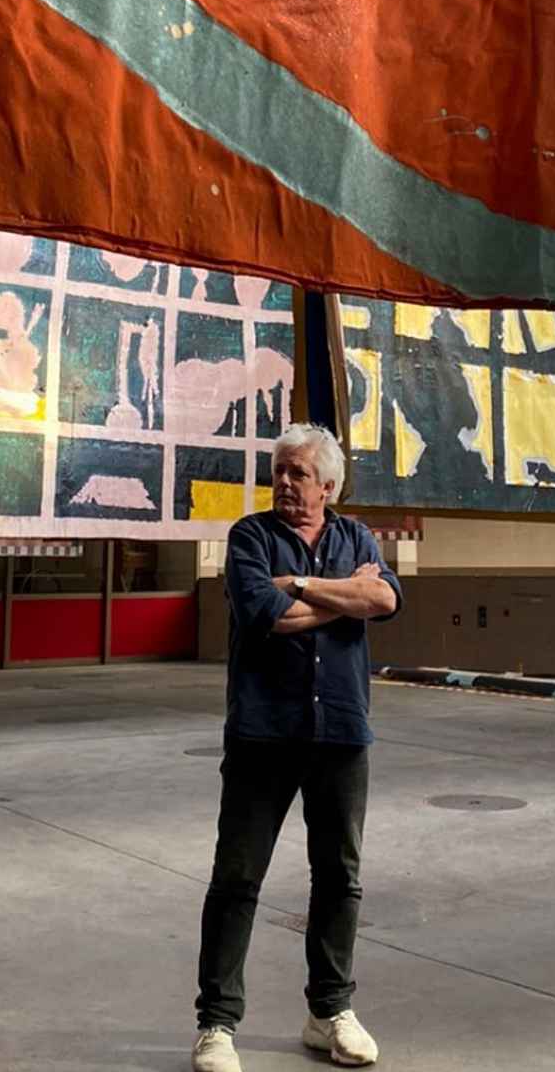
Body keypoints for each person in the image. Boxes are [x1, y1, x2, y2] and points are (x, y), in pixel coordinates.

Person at [192, 423, 402, 1072]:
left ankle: (328, 1013)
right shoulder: (249, 538)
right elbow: (268, 614)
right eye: (279, 470)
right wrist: (348, 597)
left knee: (339, 877)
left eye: (298, 473)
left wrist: (303, 585)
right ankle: (216, 1024)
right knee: (237, 878)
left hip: (340, 731)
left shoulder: (356, 537)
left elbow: (386, 596)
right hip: (263, 733)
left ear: (328, 486)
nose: (284, 482)